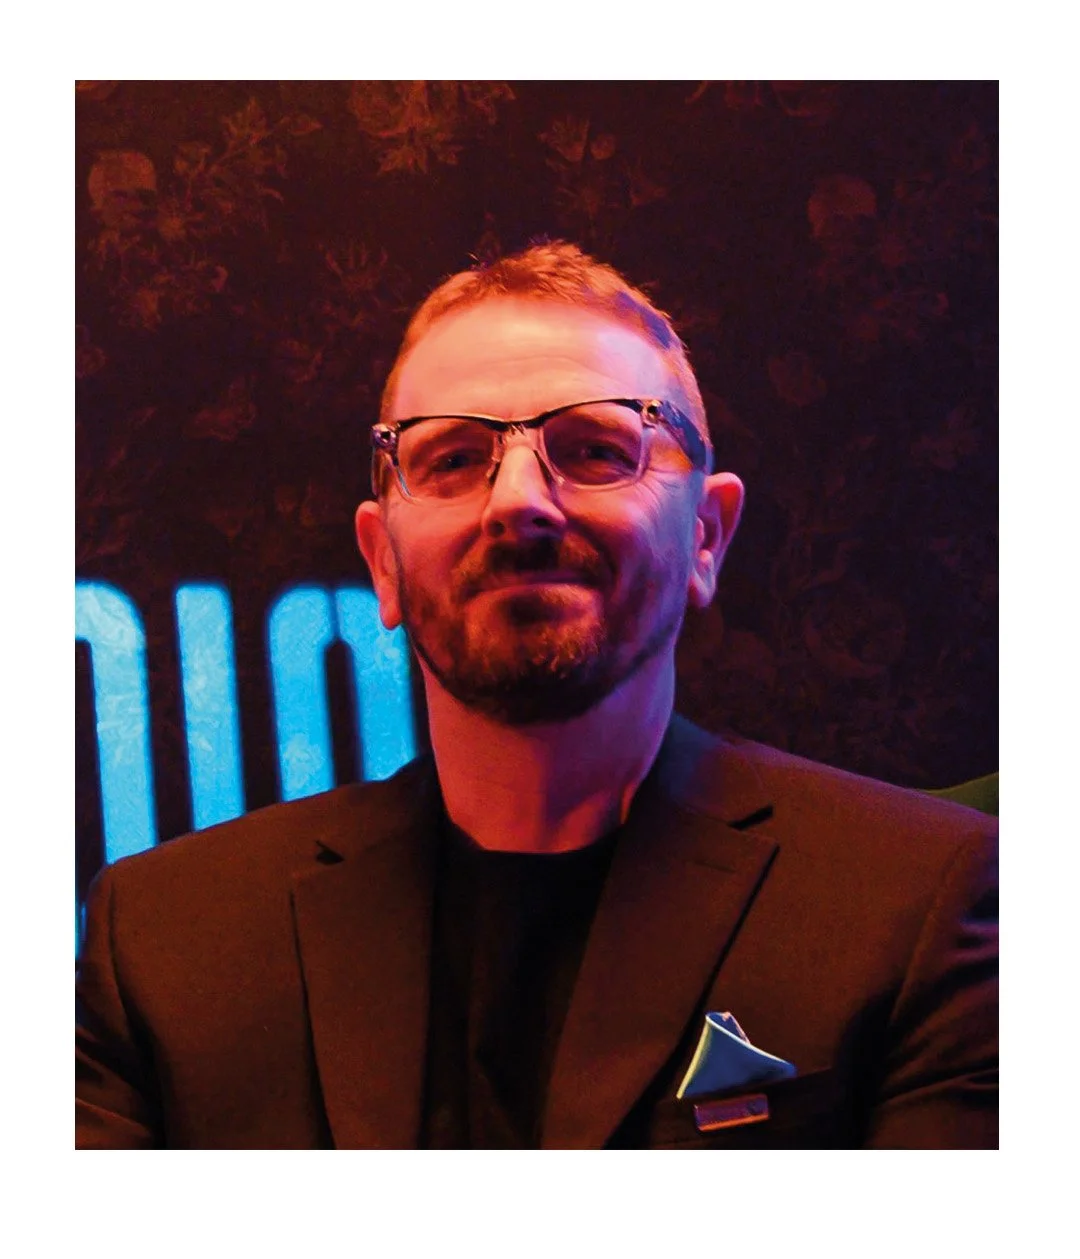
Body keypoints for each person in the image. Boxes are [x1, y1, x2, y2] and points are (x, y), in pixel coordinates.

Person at [75, 241, 998, 1149]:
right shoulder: (162, 944)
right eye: (451, 459)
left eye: (596, 448)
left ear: (707, 538)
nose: (518, 499)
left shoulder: (924, 904)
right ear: (381, 562)